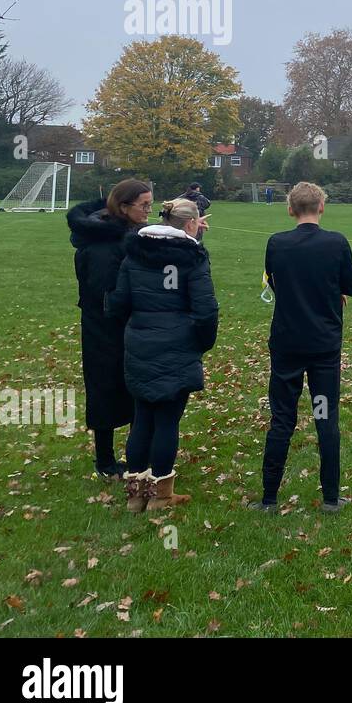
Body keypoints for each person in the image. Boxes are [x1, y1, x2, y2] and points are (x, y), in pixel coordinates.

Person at [249, 182, 352, 513]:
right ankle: (330, 498)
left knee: (281, 419)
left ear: (290, 209)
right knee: (325, 417)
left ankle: (269, 498)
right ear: (321, 207)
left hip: (288, 343)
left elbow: (274, 280)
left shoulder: (277, 244)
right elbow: (350, 286)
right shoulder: (336, 243)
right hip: (323, 345)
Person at [108, 197, 218, 512]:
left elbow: (120, 302)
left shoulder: (135, 255)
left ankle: (135, 495)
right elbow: (206, 309)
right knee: (167, 419)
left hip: (141, 341)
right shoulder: (192, 258)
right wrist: (201, 341)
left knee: (142, 417)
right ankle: (159, 495)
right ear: (190, 224)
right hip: (176, 343)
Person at [67, 178, 152, 480]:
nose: (148, 211)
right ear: (125, 206)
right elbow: (105, 293)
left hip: (125, 325)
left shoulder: (123, 234)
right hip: (104, 328)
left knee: (134, 389)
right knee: (105, 388)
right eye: (143, 206)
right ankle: (105, 461)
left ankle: (136, 453)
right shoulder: (104, 244)